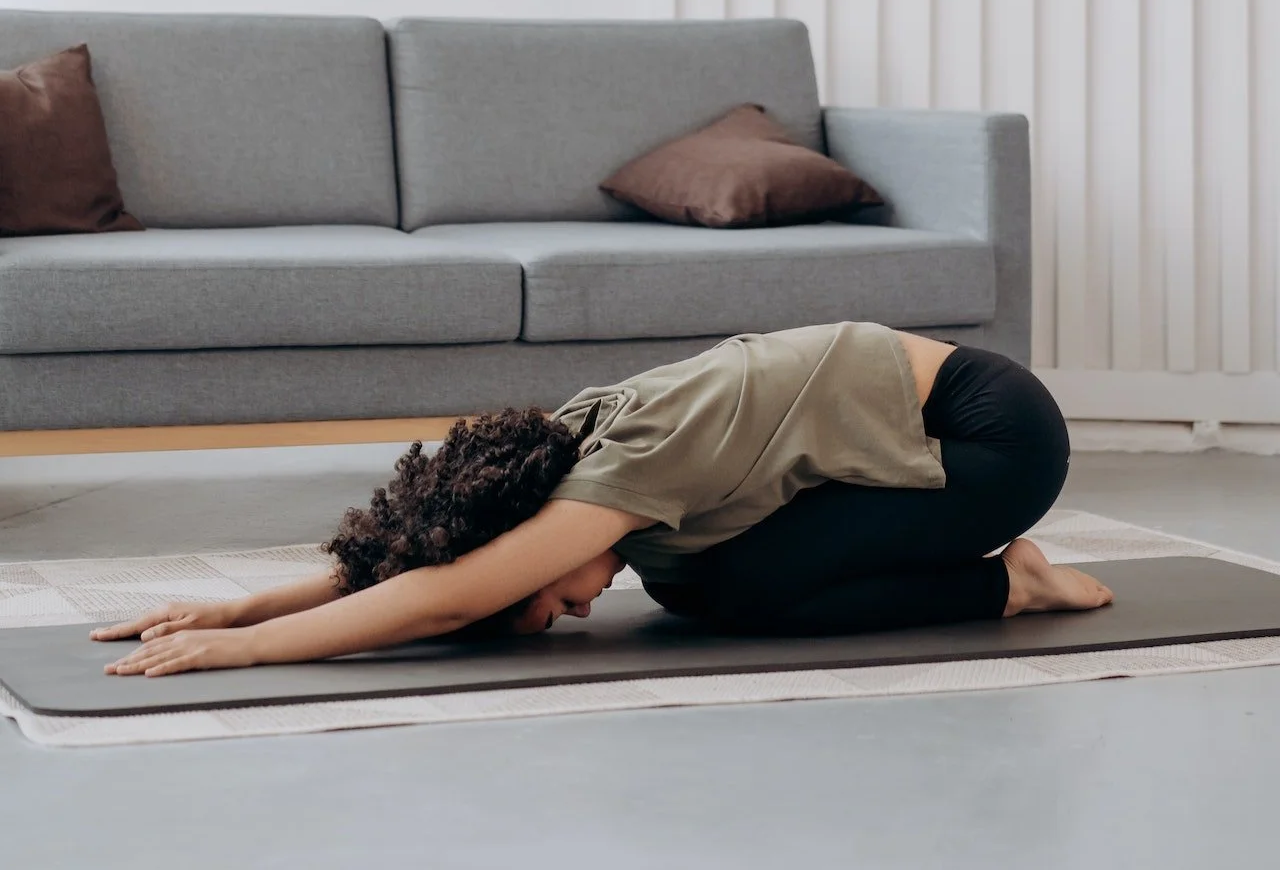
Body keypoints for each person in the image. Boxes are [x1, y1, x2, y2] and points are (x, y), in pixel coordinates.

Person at [91, 323, 1112, 678]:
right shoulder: (550, 459)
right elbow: (428, 563)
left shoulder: (619, 471)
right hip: (922, 432)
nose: (567, 611)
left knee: (737, 591)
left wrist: (250, 650)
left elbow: (445, 596)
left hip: (991, 439)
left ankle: (1010, 586)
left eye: (539, 603)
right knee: (692, 586)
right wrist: (239, 603)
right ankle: (990, 577)